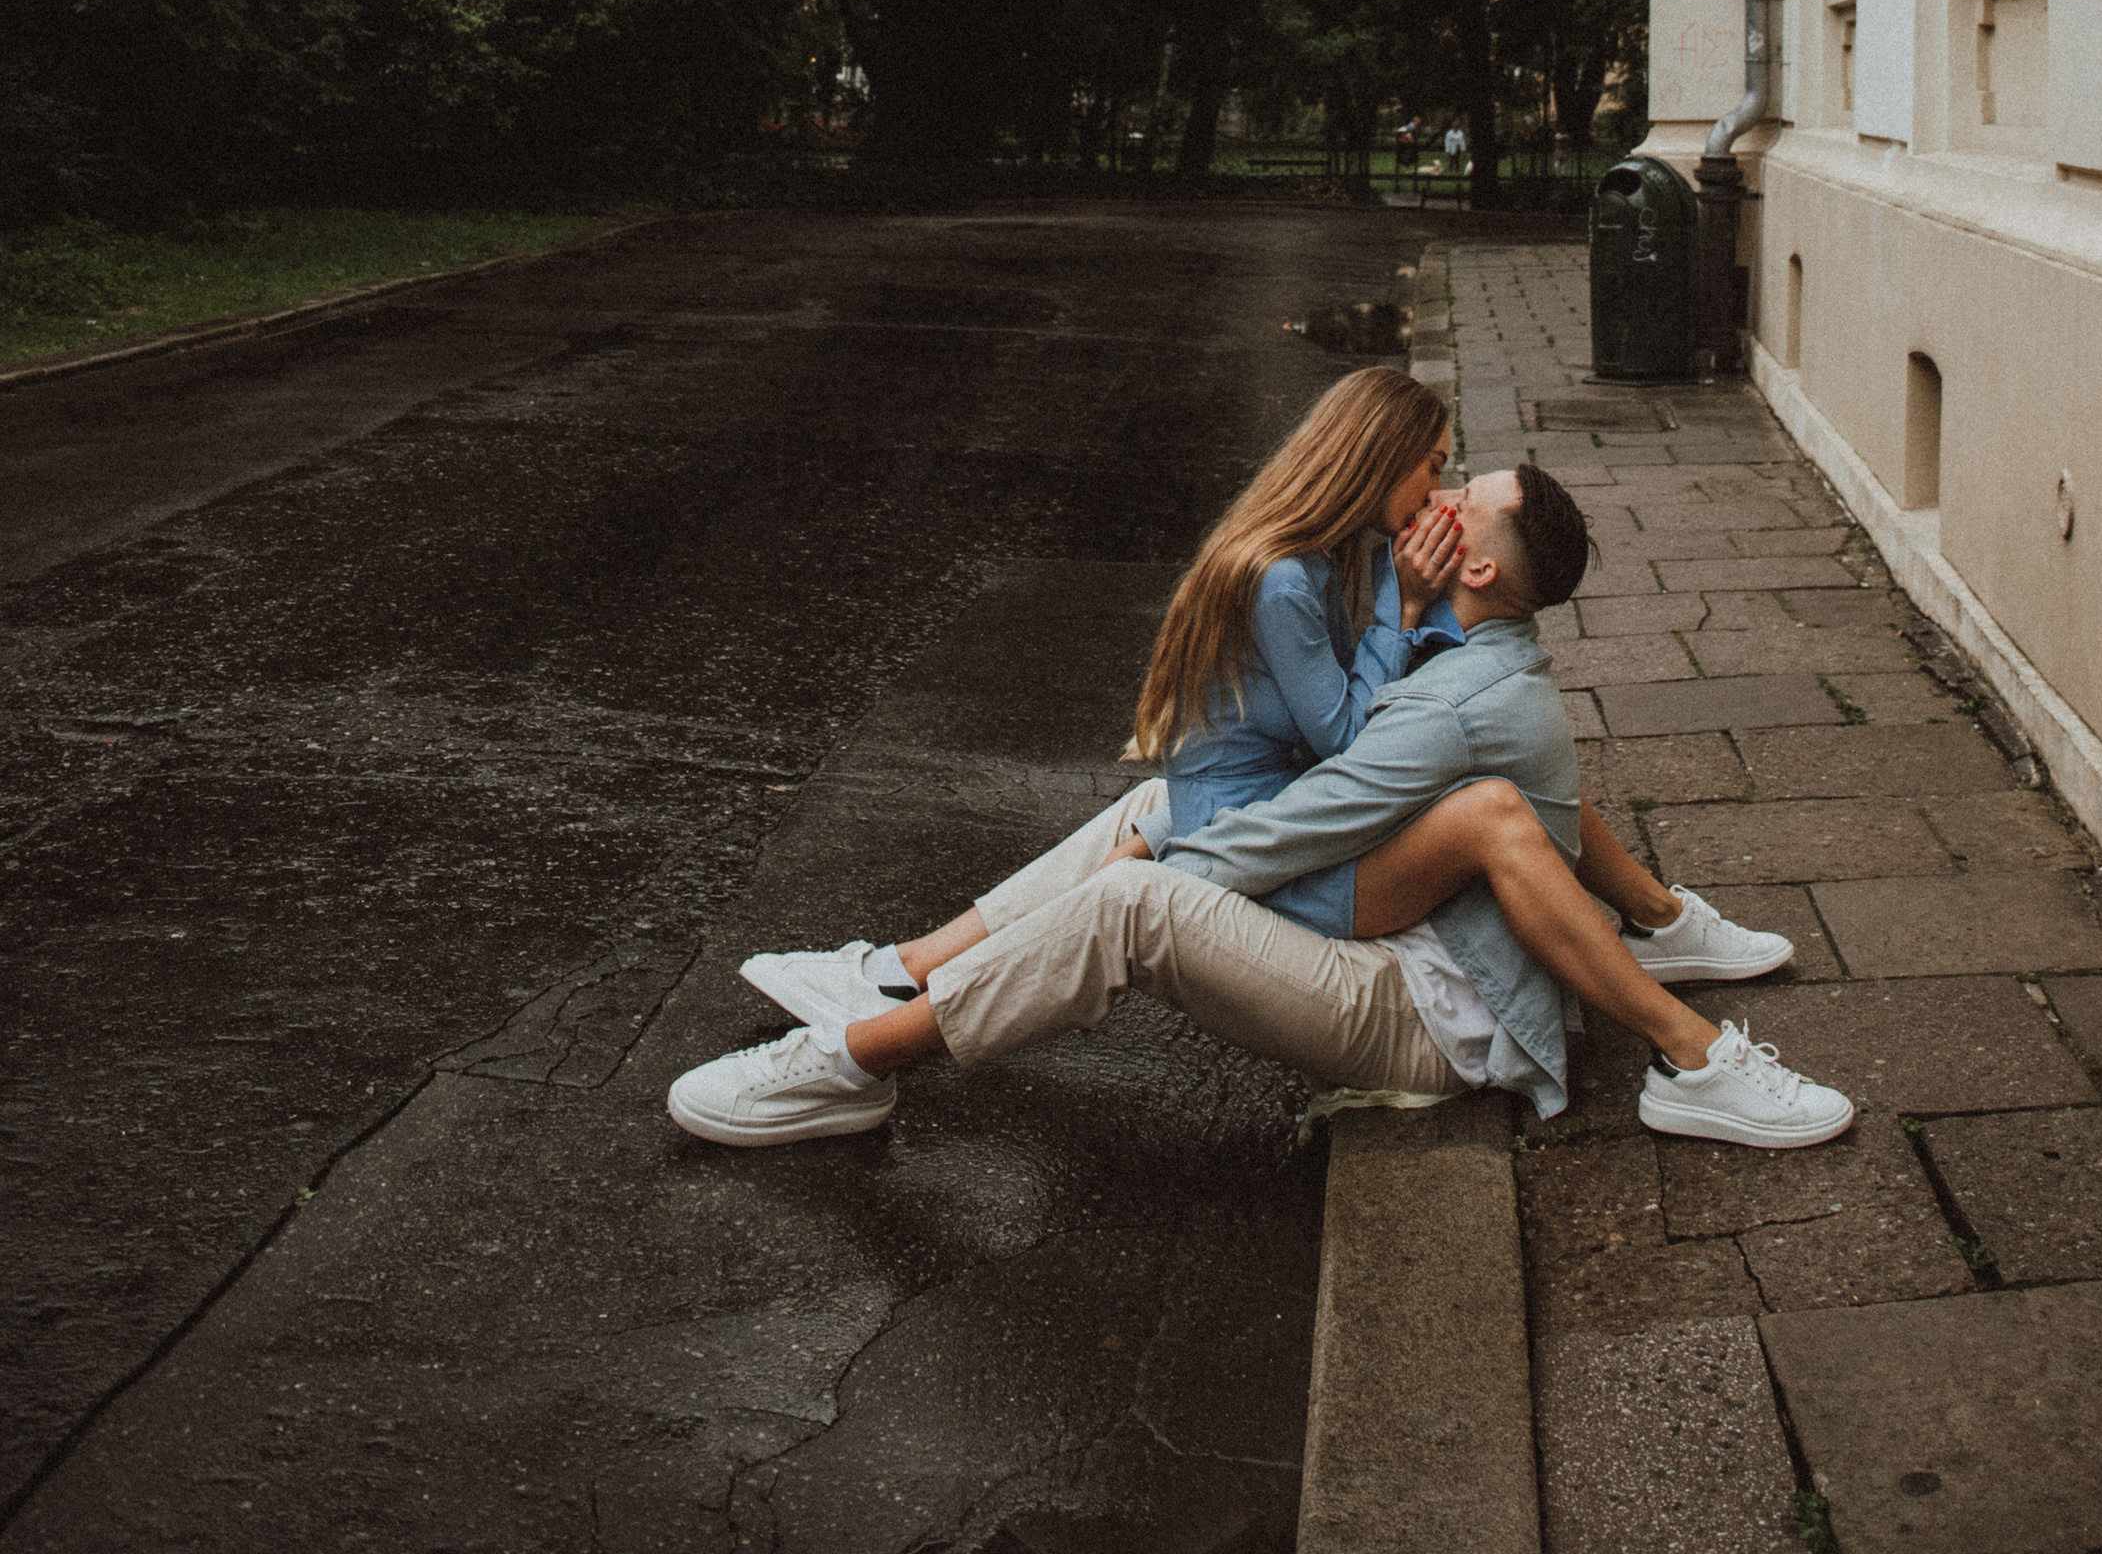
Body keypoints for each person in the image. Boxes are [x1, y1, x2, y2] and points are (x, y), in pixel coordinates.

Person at [669, 457, 1855, 1156]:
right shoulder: (1462, 652)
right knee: (1167, 805)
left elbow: (1301, 823)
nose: (1441, 494)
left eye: (1464, 494)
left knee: (1136, 896)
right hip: (1420, 950)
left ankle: (851, 1065)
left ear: (1482, 567)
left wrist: (1120, 896)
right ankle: (891, 974)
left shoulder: (1460, 702)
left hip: (1431, 1013)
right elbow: (1507, 798)